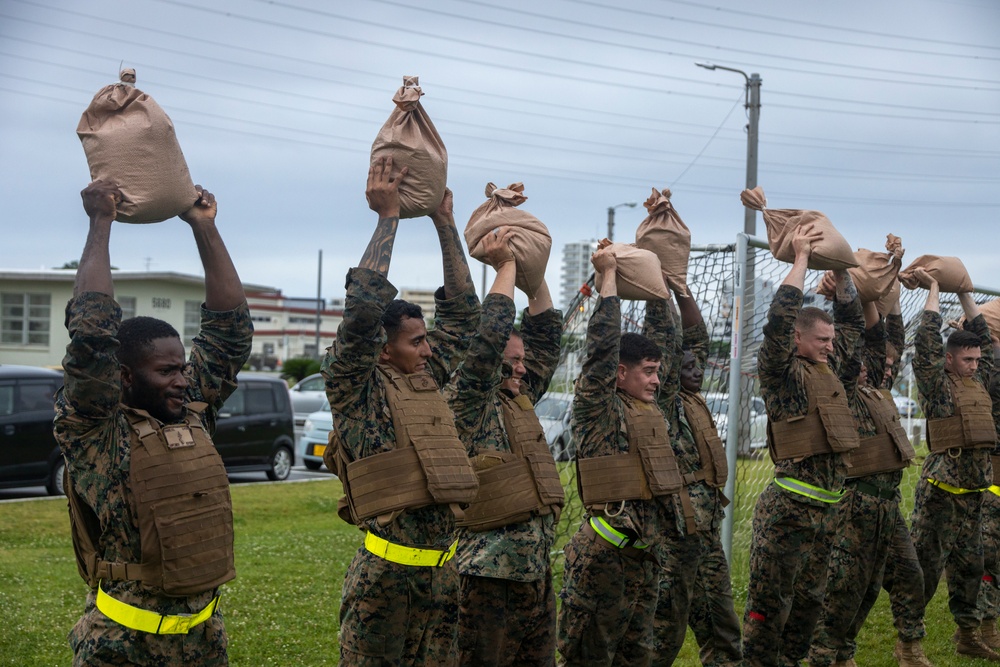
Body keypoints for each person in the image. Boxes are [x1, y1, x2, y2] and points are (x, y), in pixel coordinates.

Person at [55, 180, 253, 665]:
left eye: (183, 368)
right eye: (166, 371)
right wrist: (100, 222)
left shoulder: (190, 412)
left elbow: (229, 334)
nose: (183, 380)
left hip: (204, 641)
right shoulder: (94, 430)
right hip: (122, 646)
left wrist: (204, 226)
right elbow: (91, 335)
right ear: (122, 377)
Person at [322, 157, 481, 666]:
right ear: (383, 350)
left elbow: (463, 314)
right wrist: (387, 217)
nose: (429, 351)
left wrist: (445, 222)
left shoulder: (427, 380)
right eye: (416, 343)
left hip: (443, 578)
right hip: (385, 582)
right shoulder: (356, 391)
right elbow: (363, 310)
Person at [742, 225, 864, 667]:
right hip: (789, 511)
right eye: (822, 340)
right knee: (768, 609)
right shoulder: (782, 373)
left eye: (832, 342)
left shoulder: (833, 373)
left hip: (828, 511)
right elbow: (777, 323)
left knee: (810, 605)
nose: (831, 347)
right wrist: (800, 261)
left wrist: (841, 272)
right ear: (798, 339)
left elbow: (853, 325)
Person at [557, 245, 682, 667]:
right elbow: (600, 350)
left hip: (644, 559)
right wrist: (608, 279)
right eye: (648, 371)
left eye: (657, 370)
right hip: (602, 560)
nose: (657, 380)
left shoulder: (649, 411)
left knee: (638, 657)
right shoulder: (599, 408)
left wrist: (661, 287)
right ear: (620, 373)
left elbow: (666, 338)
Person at [444, 229, 565, 666]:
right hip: (484, 577)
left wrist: (533, 273)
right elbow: (485, 344)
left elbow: (548, 337)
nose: (520, 369)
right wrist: (505, 268)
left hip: (535, 573)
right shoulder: (467, 401)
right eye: (511, 361)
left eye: (522, 362)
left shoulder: (518, 397)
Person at [808, 286, 917, 667]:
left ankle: (872, 651)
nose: (879, 367)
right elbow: (862, 345)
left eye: (883, 366)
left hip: (888, 505)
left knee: (882, 583)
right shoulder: (843, 391)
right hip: (855, 504)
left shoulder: (877, 392)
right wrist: (851, 289)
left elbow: (885, 341)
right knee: (844, 588)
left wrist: (882, 290)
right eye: (871, 364)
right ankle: (826, 654)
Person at [908, 268, 998, 661]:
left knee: (971, 570)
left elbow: (987, 343)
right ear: (948, 360)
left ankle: (968, 635)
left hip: (974, 493)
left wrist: (964, 293)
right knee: (924, 574)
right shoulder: (937, 382)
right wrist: (932, 289)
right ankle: (908, 643)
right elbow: (925, 343)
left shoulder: (980, 379)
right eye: (967, 359)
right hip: (941, 495)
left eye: (977, 359)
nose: (975, 365)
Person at [651, 289, 742, 667]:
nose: (696, 370)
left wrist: (681, 290)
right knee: (662, 636)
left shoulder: (693, 398)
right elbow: (674, 348)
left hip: (704, 534)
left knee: (724, 628)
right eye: (685, 366)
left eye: (698, 365)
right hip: (673, 539)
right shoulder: (664, 402)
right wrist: (658, 293)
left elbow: (697, 339)